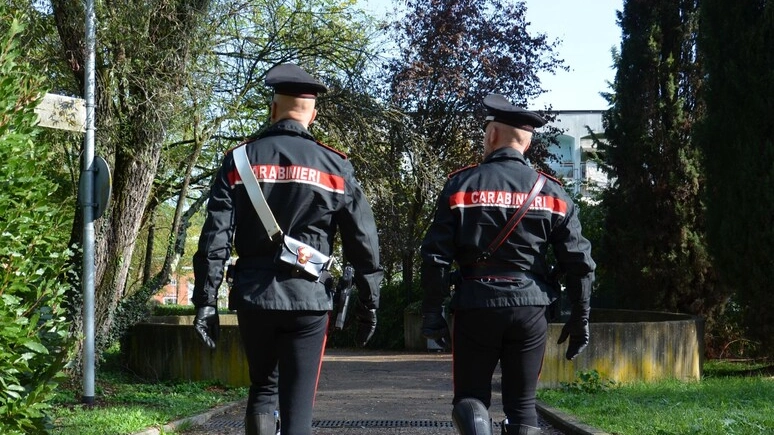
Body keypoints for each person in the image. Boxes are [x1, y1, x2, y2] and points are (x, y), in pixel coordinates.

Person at [191, 63, 383, 435]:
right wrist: (369, 301)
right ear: (313, 114)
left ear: (273, 109)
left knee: (263, 388)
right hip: (309, 297)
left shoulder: (240, 160)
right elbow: (363, 241)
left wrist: (206, 300)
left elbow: (215, 236)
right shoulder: (336, 166)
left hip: (255, 296)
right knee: (298, 403)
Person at [420, 94, 596, 435]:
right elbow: (580, 263)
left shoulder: (461, 185)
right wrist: (581, 317)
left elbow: (435, 256)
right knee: (523, 405)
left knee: (471, 399)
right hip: (530, 308)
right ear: (526, 144)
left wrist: (432, 312)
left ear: (492, 135)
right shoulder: (553, 193)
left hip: (476, 305)